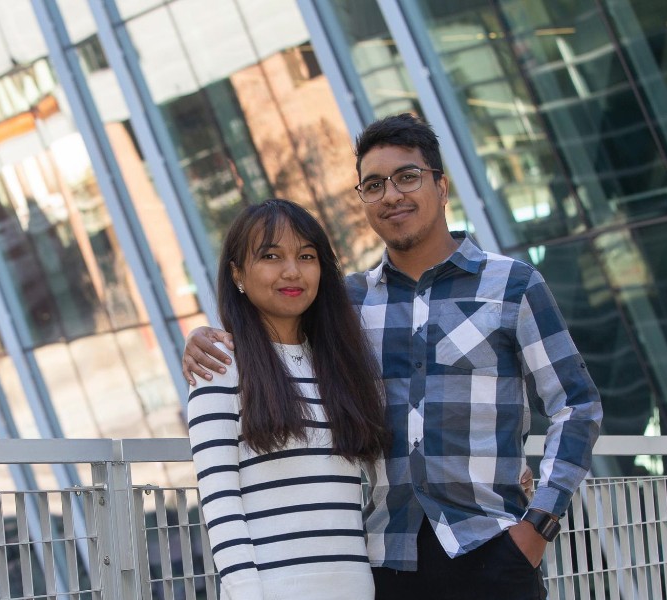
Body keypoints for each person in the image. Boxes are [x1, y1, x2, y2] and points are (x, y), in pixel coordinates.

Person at [185, 114, 603, 599]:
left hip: (494, 552)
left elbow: (576, 404)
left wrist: (538, 527)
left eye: (407, 177)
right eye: (373, 185)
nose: (391, 195)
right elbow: (277, 335)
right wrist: (204, 337)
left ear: (441, 187)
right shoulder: (347, 305)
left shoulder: (513, 285)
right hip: (387, 563)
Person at [186, 198, 389, 599]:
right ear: (238, 273)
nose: (292, 271)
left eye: (306, 256)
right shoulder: (221, 365)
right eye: (271, 256)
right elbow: (220, 502)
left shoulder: (342, 365)